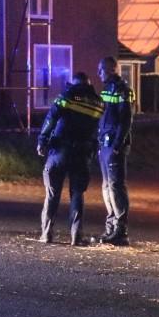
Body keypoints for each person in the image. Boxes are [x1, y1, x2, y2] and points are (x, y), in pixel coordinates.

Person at [36, 71, 103, 245]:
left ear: (73, 83)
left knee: (52, 194)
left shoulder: (67, 95)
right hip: (82, 153)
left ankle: (47, 234)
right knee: (77, 194)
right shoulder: (98, 102)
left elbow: (51, 118)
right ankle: (76, 236)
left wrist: (42, 140)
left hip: (60, 150)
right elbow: (99, 129)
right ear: (88, 84)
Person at [91, 56, 134, 246]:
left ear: (110, 69)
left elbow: (125, 120)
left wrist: (118, 144)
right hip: (105, 144)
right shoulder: (107, 89)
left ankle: (120, 230)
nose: (98, 73)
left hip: (114, 145)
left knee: (116, 186)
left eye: (101, 69)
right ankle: (111, 226)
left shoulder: (123, 90)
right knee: (107, 187)